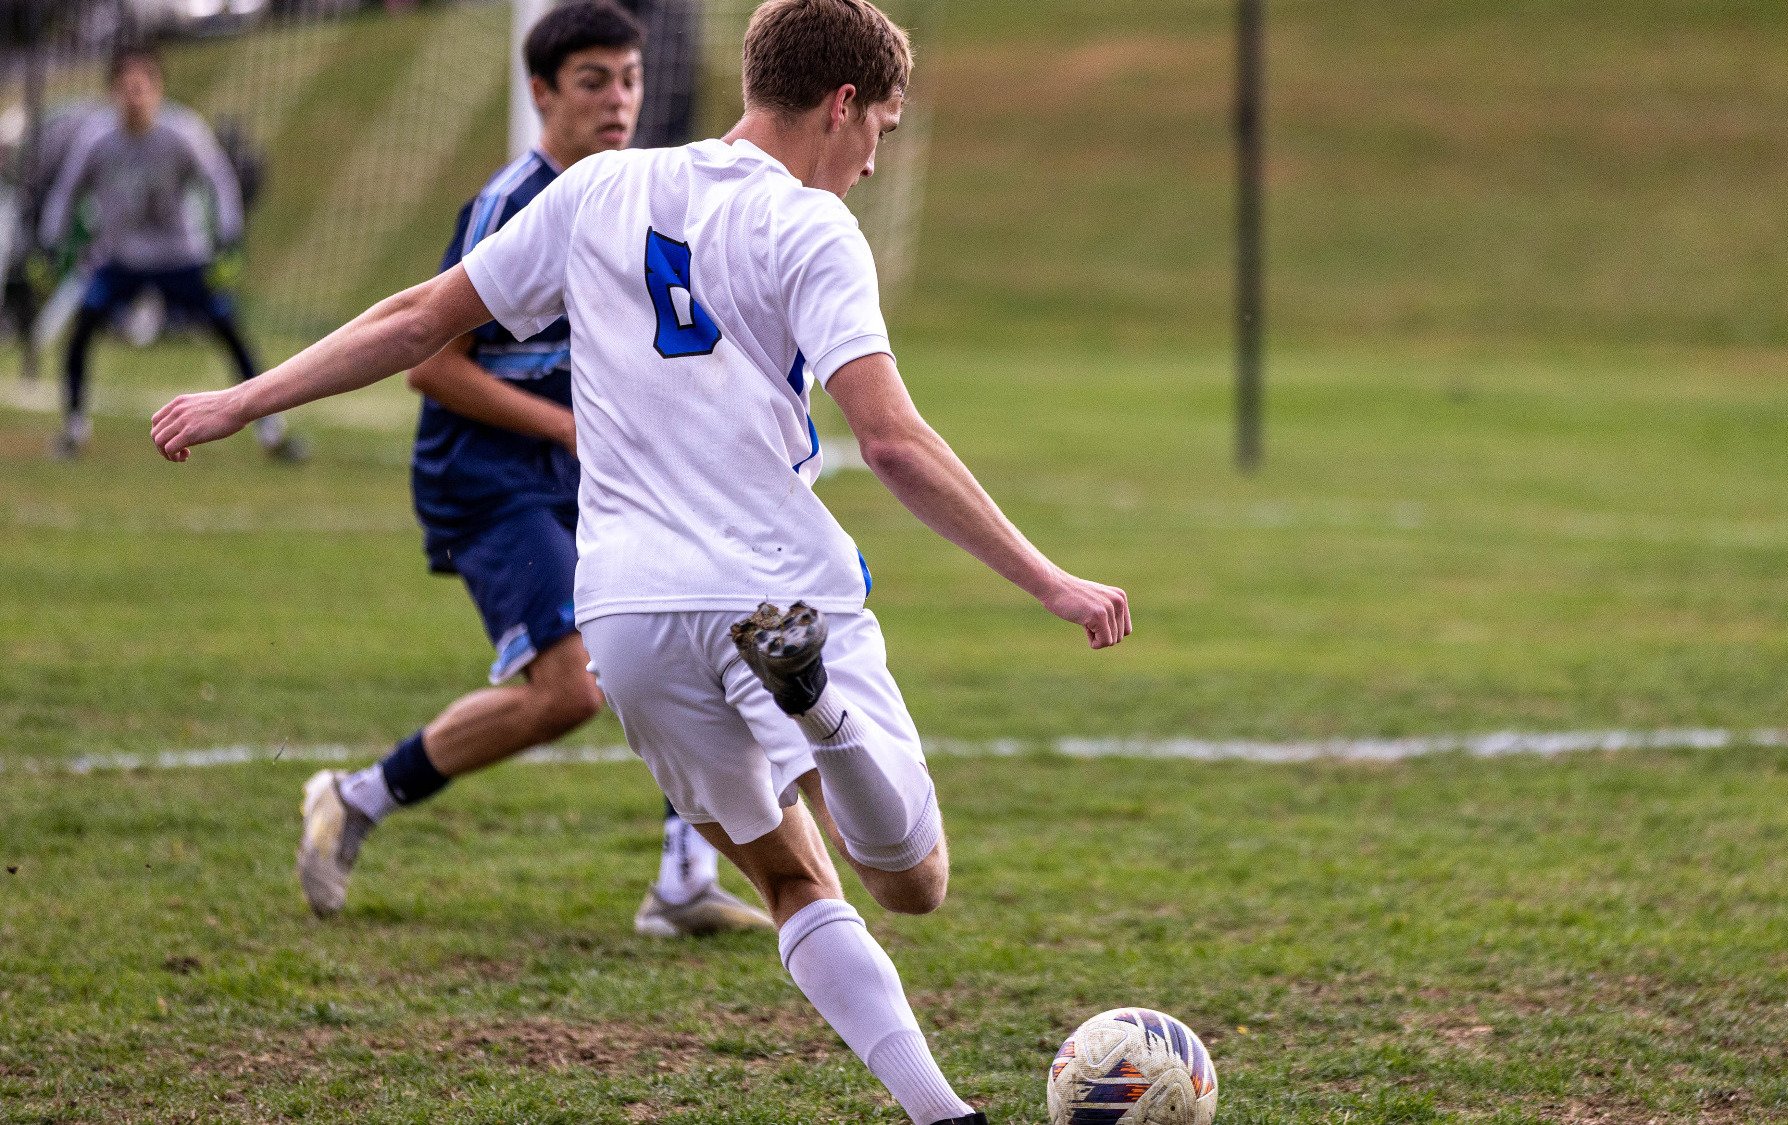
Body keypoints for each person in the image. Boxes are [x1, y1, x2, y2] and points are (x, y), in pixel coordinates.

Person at [151, 1, 1131, 1120]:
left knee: (788, 881)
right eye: (881, 132)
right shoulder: (811, 230)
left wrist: (243, 396)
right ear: (842, 103)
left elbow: (421, 316)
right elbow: (894, 442)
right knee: (912, 881)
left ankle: (940, 1114)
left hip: (628, 614)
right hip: (776, 589)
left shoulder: (598, 191)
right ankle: (820, 717)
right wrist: (1049, 579)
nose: (871, 161)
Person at [292, 1, 770, 940]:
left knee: (707, 617)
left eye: (630, 81)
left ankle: (683, 877)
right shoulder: (512, 203)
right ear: (541, 91)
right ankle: (355, 797)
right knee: (566, 693)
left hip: (581, 480)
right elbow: (431, 362)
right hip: (487, 476)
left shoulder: (637, 197)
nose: (618, 101)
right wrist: (565, 425)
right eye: (594, 82)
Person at [39, 44, 302, 462]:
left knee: (228, 329)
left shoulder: (183, 132)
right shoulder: (97, 140)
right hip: (120, 258)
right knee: (82, 330)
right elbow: (69, 190)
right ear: (112, 92)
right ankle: (74, 428)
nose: (135, 96)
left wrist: (229, 239)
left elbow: (218, 180)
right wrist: (51, 242)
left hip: (180, 256)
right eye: (126, 87)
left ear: (158, 89)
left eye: (142, 86)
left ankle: (271, 429)